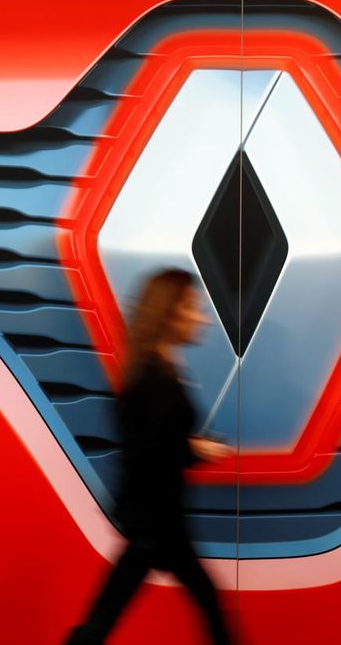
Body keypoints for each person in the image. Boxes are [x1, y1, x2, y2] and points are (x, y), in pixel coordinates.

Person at [67, 268, 234, 645]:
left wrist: (190, 448)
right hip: (156, 523)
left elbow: (155, 444)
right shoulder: (153, 378)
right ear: (169, 313)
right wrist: (195, 449)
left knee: (104, 619)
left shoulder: (158, 370)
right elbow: (149, 452)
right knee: (207, 605)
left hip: (156, 521)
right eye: (193, 308)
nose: (201, 317)